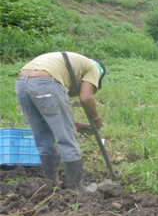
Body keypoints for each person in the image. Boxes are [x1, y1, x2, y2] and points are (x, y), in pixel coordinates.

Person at [15, 52, 106, 192]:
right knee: (67, 139)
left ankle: (51, 182)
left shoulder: (71, 64)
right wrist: (97, 120)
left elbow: (53, 110)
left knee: (42, 136)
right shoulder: (93, 68)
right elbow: (86, 98)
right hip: (47, 82)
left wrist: (71, 123)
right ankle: (77, 187)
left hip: (22, 82)